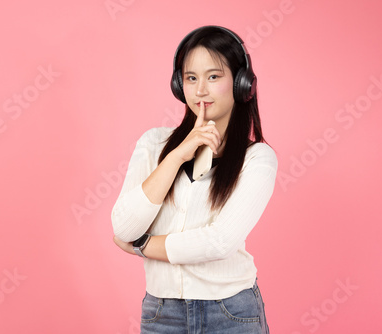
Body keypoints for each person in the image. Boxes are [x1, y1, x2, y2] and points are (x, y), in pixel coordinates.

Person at [111, 25, 276, 333]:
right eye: (191, 78)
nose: (200, 89)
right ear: (179, 85)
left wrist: (141, 246)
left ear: (242, 84)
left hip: (232, 313)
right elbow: (123, 227)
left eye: (213, 76)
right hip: (162, 314)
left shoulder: (257, 159)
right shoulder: (154, 144)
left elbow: (219, 242)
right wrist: (176, 157)